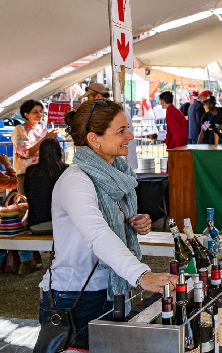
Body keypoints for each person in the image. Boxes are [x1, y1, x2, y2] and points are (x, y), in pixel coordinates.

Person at [40, 100, 176, 349]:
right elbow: (98, 234)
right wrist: (141, 275)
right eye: (121, 131)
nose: (130, 136)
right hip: (77, 298)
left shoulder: (116, 175)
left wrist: (132, 221)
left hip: (110, 289)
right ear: (94, 139)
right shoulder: (76, 181)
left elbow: (109, 222)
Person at [0, 137, 40, 275]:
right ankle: (26, 262)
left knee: (1, 225)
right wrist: (7, 165)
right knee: (17, 226)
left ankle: (2, 262)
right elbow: (13, 184)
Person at [83, 83, 137, 171]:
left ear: (98, 96)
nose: (87, 102)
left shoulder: (113, 113)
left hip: (121, 161)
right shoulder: (116, 110)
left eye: (88, 98)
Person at [12, 99, 58, 196]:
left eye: (41, 111)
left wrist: (52, 140)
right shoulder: (20, 129)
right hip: (26, 174)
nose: (39, 114)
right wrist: (46, 138)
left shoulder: (43, 128)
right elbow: (27, 153)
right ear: (26, 115)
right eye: (35, 112)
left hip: (44, 173)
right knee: (28, 204)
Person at [25, 138, 67, 234]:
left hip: (34, 224)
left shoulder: (31, 171)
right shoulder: (66, 170)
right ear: (59, 152)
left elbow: (28, 194)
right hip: (60, 224)